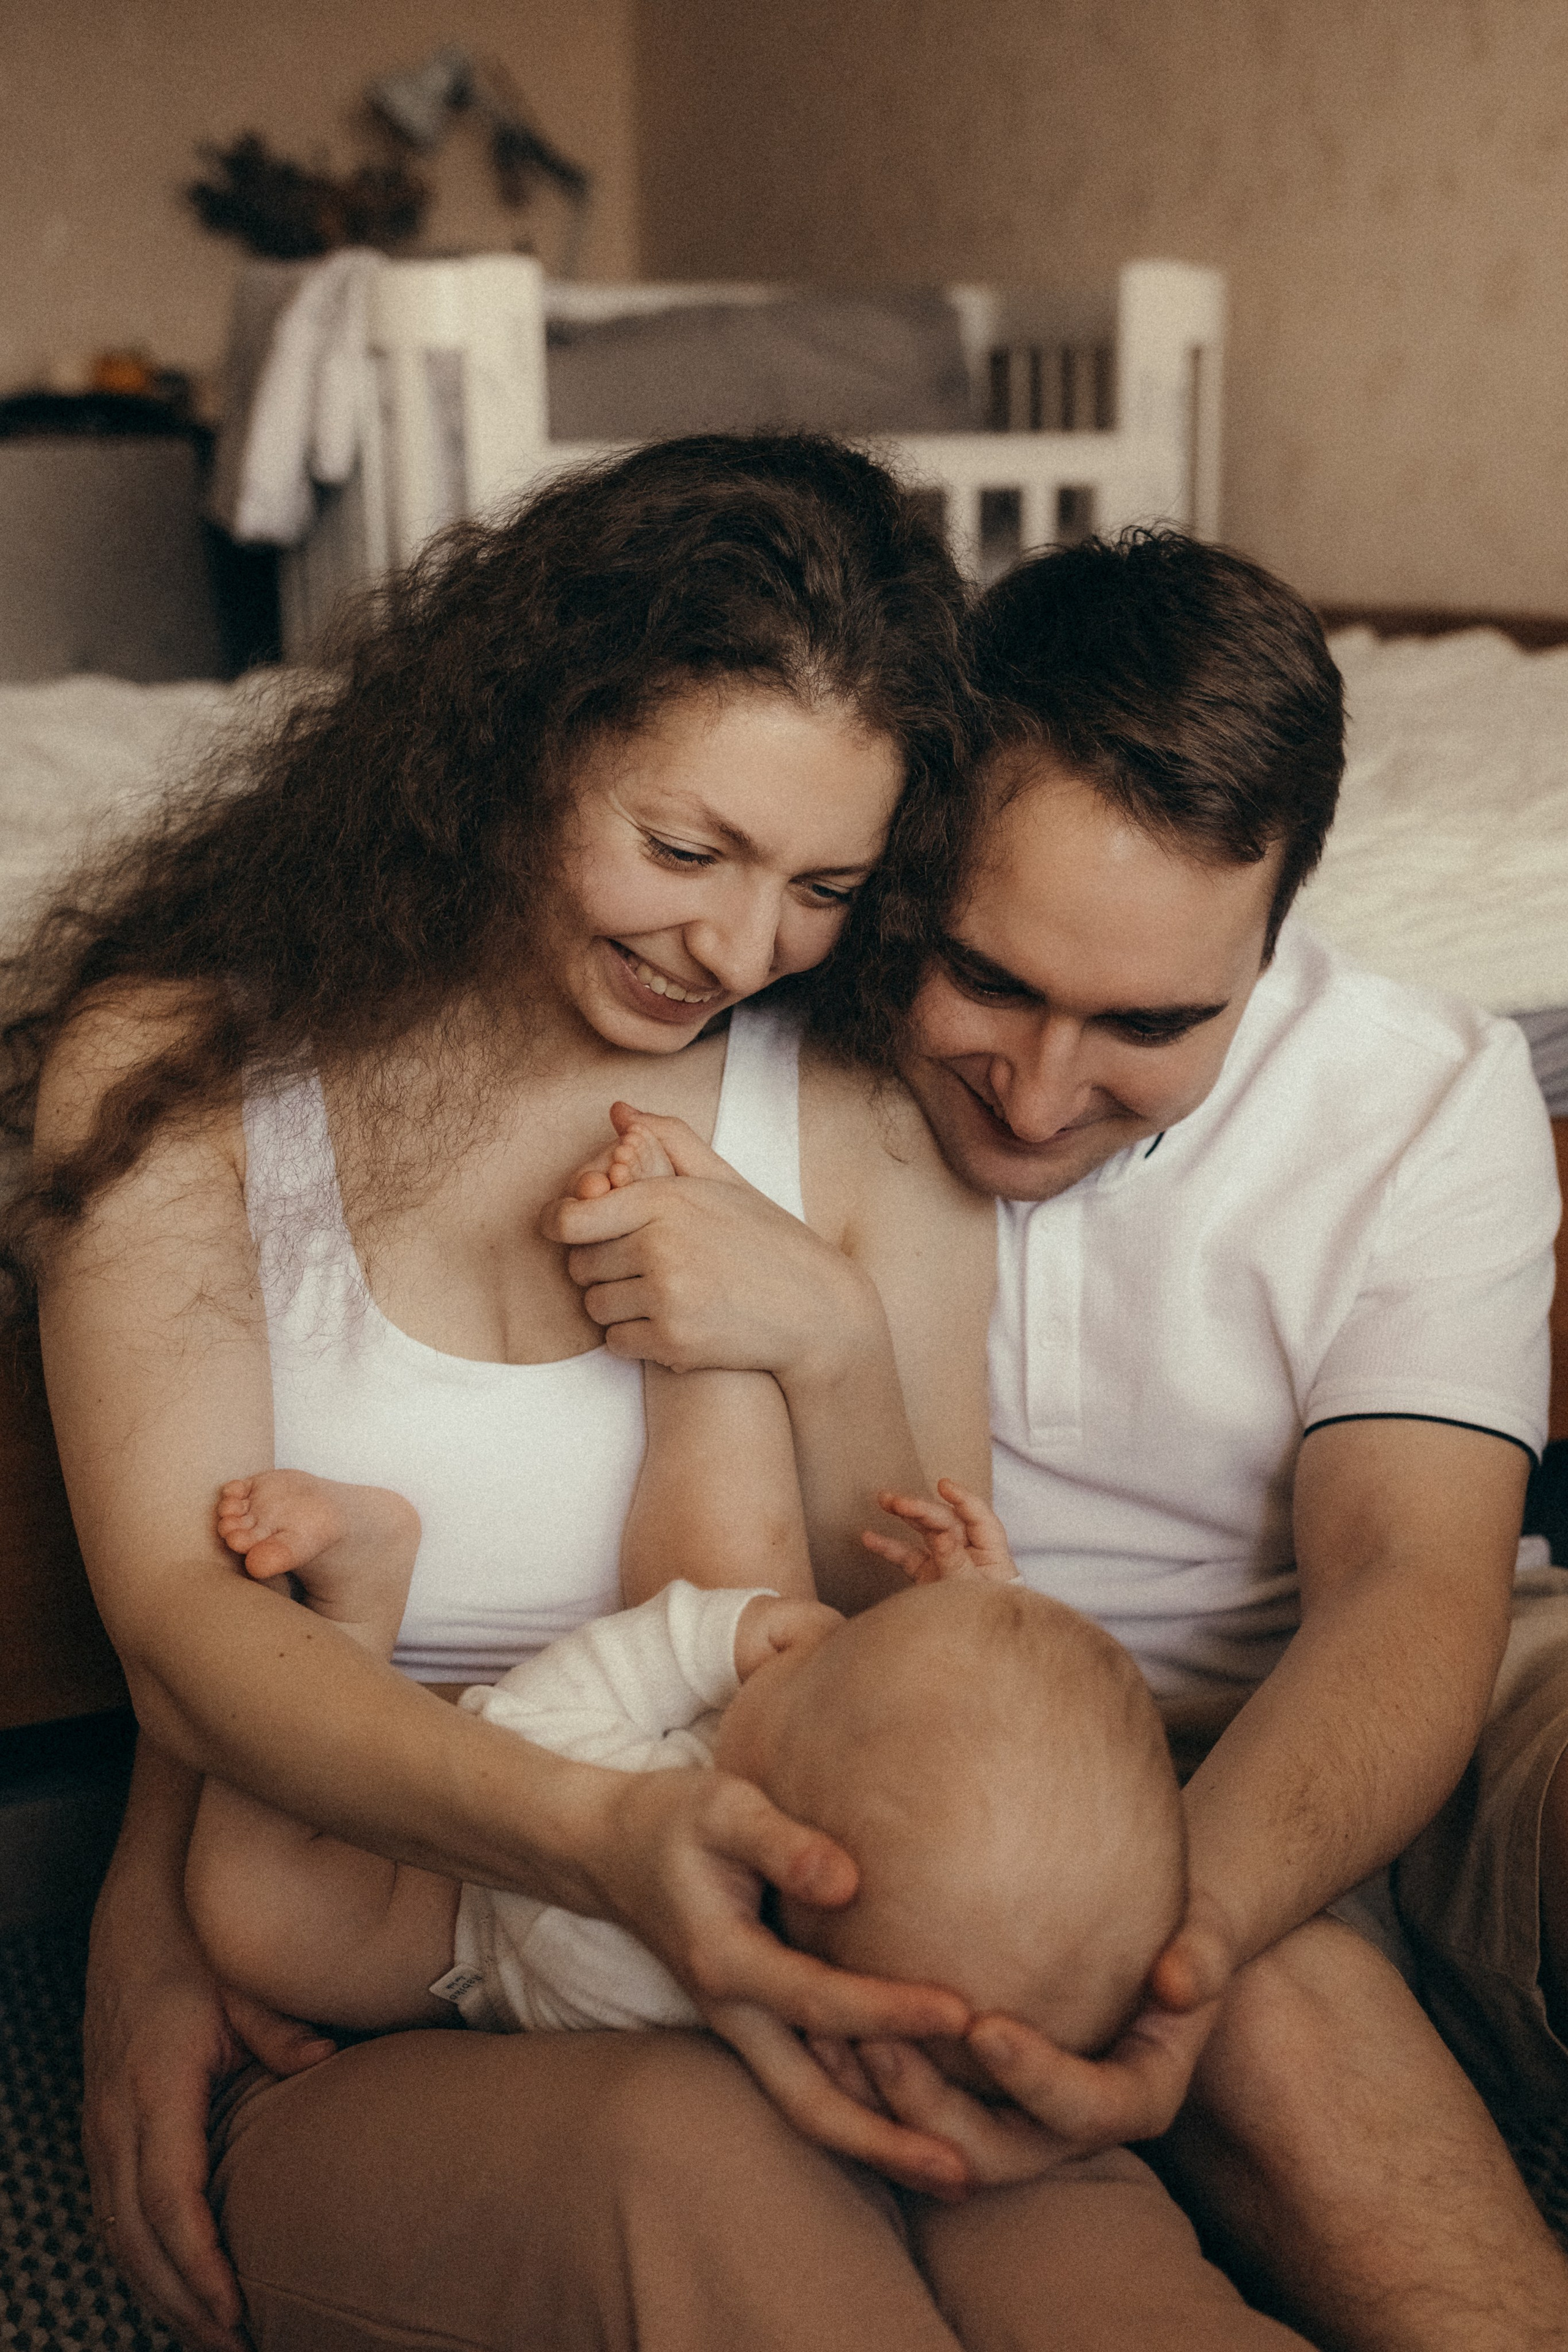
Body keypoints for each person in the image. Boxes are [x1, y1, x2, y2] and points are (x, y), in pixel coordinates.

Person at [17, 442, 1293, 2352]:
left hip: (812, 1926)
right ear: (521, 737)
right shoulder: (185, 1072)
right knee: (716, 2191)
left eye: (826, 887)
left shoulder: (854, 1106)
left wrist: (833, 1343)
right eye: (688, 850)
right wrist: (595, 1844)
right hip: (392, 1958)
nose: (740, 948)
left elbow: (916, 1651)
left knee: (1089, 2268)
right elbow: (187, 1637)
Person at [546, 530, 1568, 2350]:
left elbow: (1417, 1584)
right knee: (1275, 2010)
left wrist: (1192, 1905)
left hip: (1405, 1685)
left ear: (1275, 934)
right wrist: (1181, 1950)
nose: (1036, 1092)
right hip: (975, 1751)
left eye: (1154, 1024)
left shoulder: (1423, 1087)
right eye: (991, 981)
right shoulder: (760, 1028)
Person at [184, 1450, 1185, 2062]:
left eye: (822, 1658)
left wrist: (719, 1637)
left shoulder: (650, 1939)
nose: (822, 1629)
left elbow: (539, 1716)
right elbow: (984, 1750)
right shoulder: (892, 1915)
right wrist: (974, 1608)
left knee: (257, 1920)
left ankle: (354, 1609)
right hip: (526, 1831)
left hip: (469, 1921)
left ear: (766, 1833)